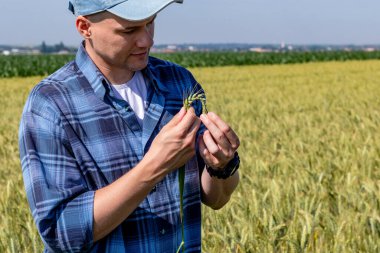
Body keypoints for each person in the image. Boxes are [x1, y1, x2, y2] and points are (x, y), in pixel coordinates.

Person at [19, 0, 240, 252]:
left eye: (150, 23)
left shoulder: (179, 83)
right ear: (84, 27)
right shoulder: (50, 104)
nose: (146, 40)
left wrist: (221, 166)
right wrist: (154, 166)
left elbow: (217, 199)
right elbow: (61, 233)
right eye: (129, 30)